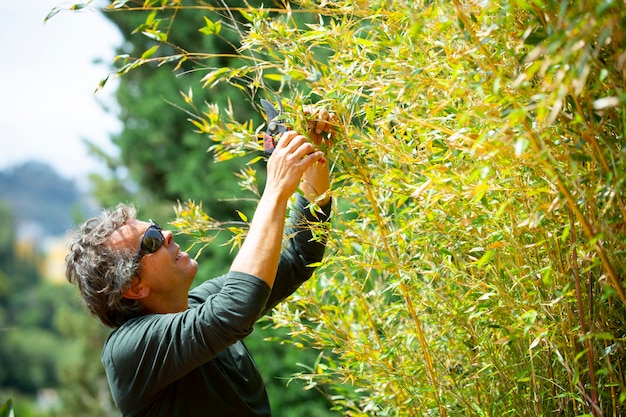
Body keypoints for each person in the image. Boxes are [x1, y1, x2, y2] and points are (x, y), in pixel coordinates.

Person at [65, 106, 336, 417]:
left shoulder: (197, 305)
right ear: (134, 287)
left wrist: (312, 158)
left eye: (155, 225)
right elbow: (235, 308)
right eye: (152, 240)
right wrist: (275, 189)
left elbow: (298, 257)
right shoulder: (129, 350)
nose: (166, 233)